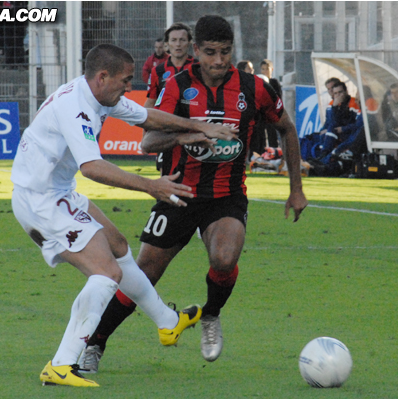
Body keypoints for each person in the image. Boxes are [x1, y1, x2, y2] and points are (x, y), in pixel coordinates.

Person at [80, 15, 308, 371]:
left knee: (225, 257)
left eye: (226, 52)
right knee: (144, 272)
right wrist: (190, 133)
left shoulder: (255, 88)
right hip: (177, 192)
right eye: (211, 53)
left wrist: (296, 189)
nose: (219, 61)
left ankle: (210, 315)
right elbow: (149, 141)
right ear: (197, 50)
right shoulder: (177, 86)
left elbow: (287, 130)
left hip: (226, 196)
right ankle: (95, 343)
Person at [11, 43, 237, 387]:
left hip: (58, 193)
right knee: (106, 273)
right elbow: (92, 168)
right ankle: (61, 364)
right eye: (125, 80)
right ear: (103, 77)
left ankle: (166, 321)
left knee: (117, 245)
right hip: (40, 203)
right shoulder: (75, 108)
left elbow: (146, 116)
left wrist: (197, 127)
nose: (128, 87)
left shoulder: (99, 95)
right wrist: (151, 186)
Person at [144, 23, 196, 171]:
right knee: (166, 172)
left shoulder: (199, 68)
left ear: (189, 43)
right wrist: (144, 133)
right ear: (167, 44)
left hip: (192, 129)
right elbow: (151, 102)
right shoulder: (158, 71)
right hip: (166, 130)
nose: (178, 44)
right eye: (173, 40)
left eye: (182, 40)